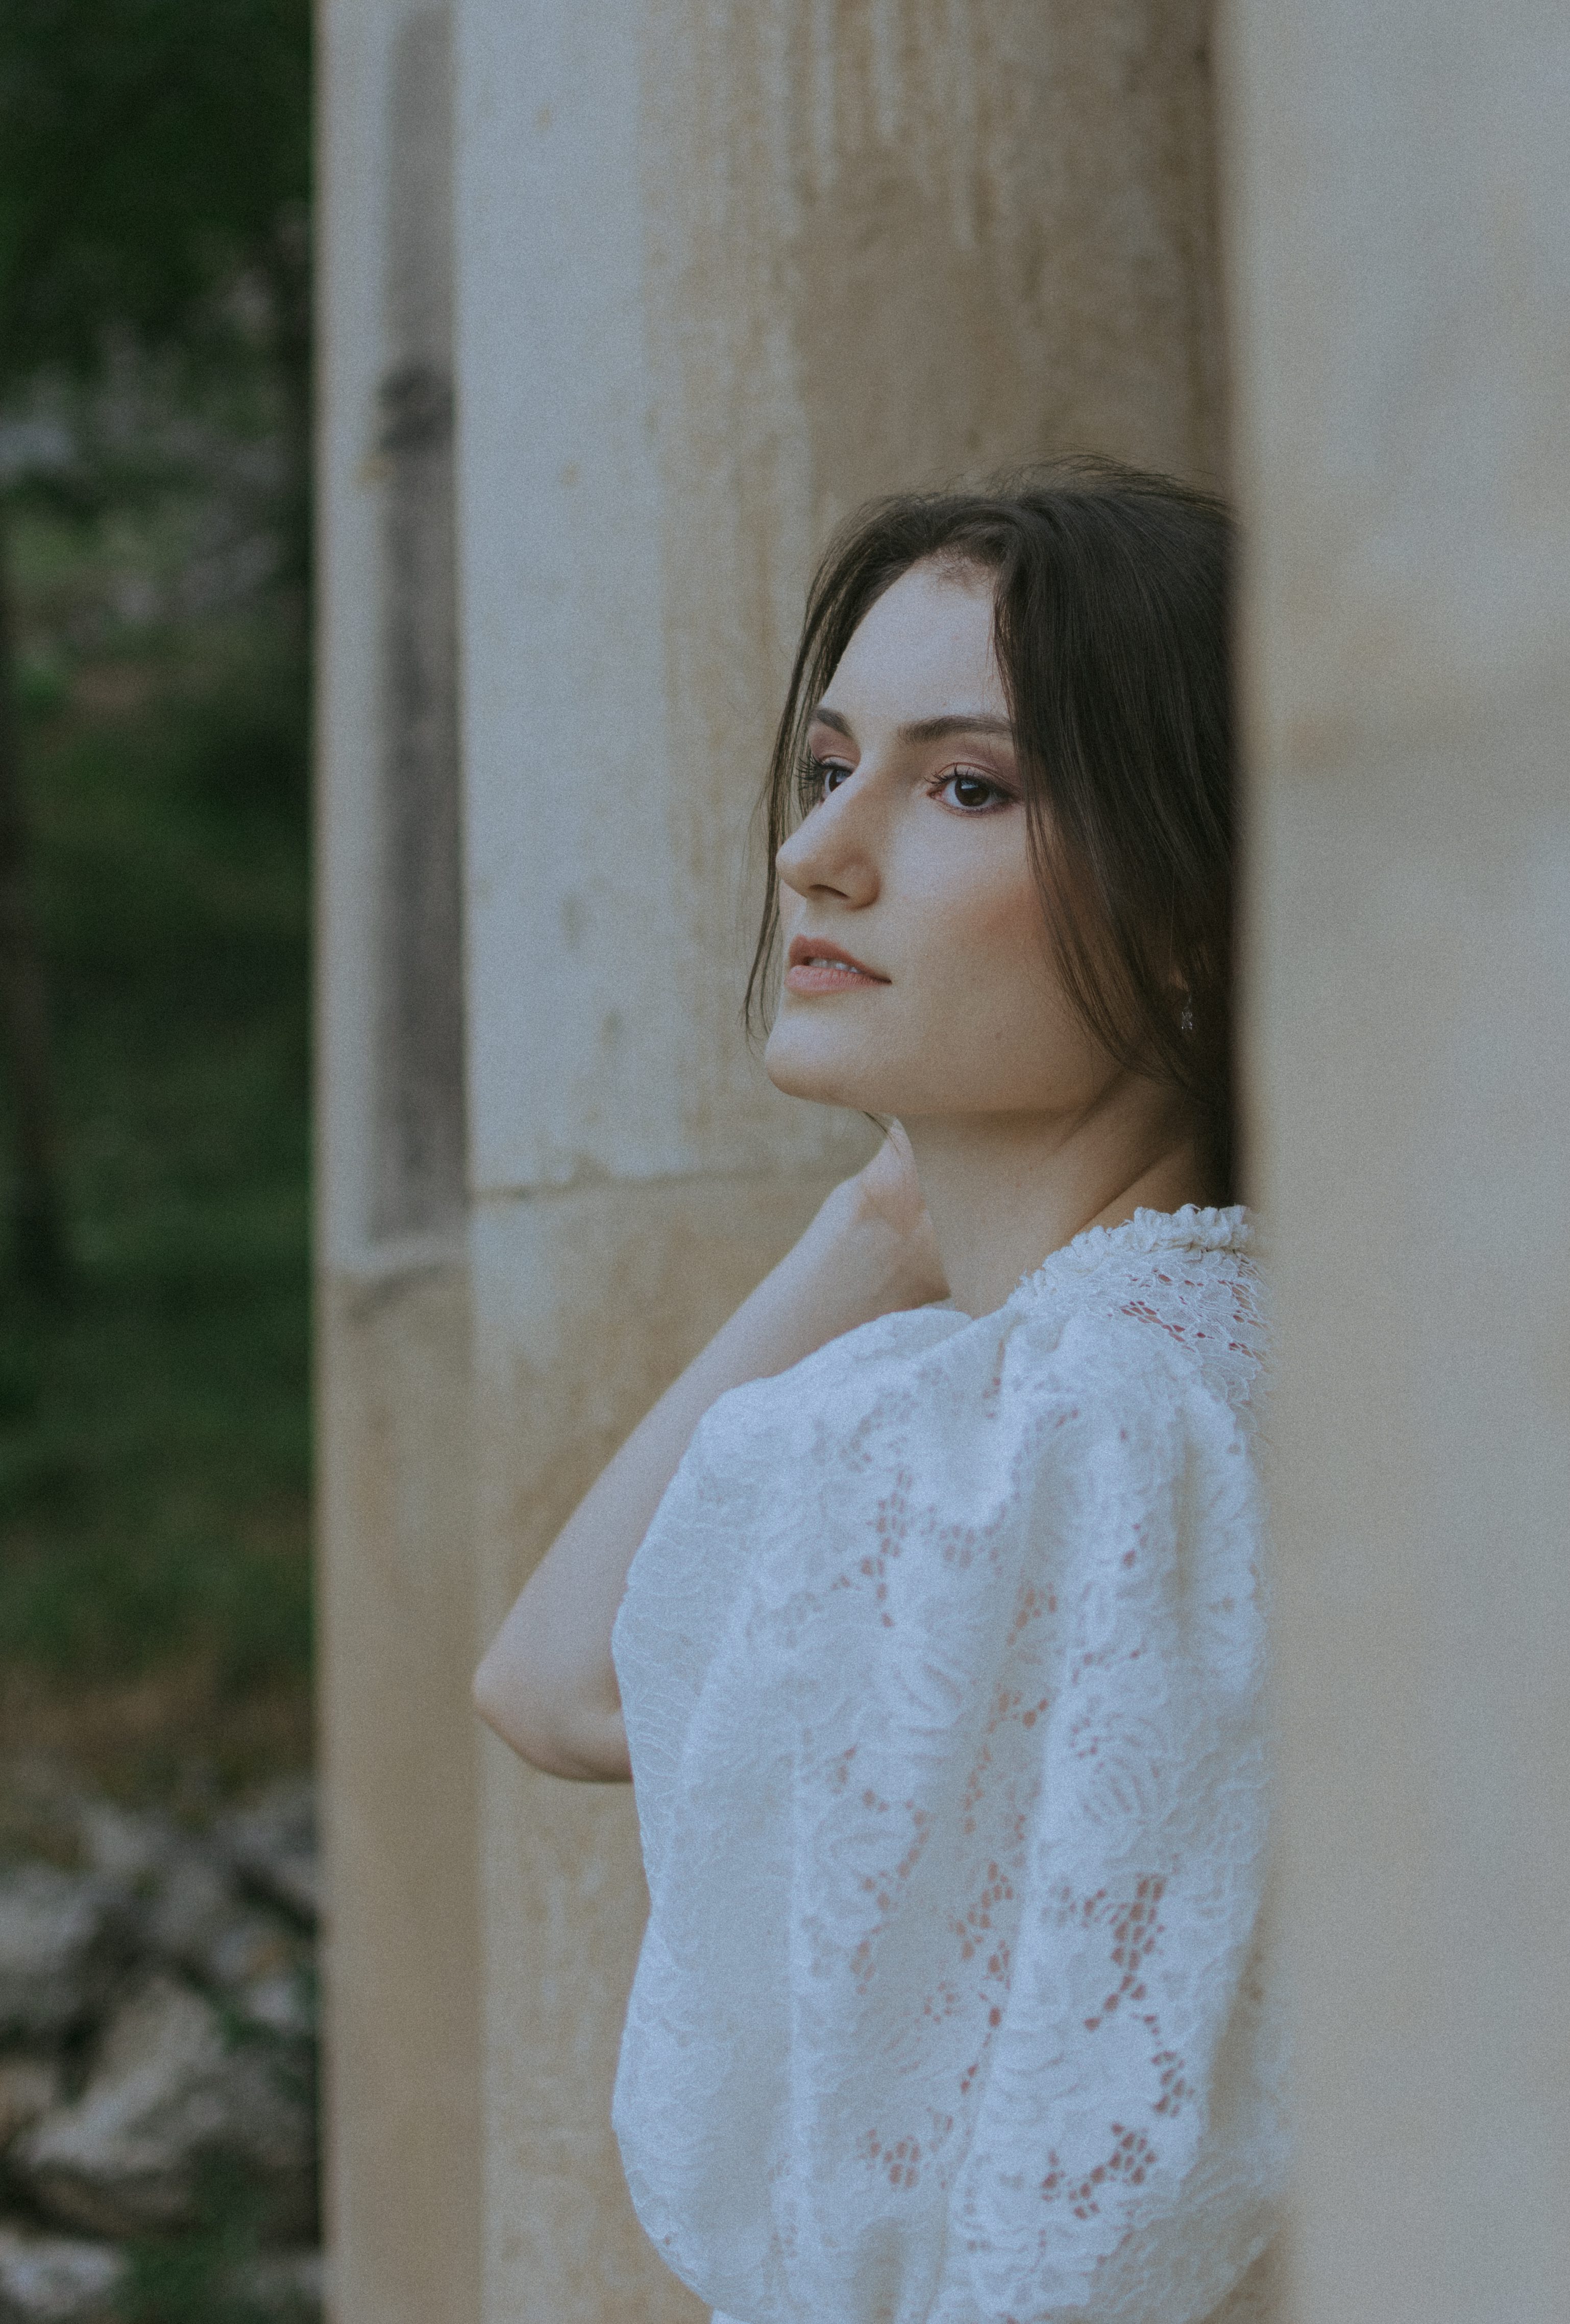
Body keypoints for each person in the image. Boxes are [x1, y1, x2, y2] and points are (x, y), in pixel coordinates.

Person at [474, 461, 1282, 2324]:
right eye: (830, 765)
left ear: (1195, 911)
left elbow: (553, 1676)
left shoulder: (1061, 1430)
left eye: (966, 785)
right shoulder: (1135, 1371)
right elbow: (565, 1683)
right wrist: (889, 1220)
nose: (818, 853)